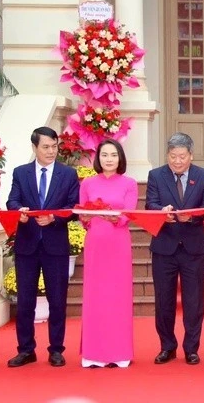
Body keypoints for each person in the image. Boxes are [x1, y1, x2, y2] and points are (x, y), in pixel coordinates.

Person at [6, 126, 80, 368]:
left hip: (55, 246)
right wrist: (20, 213)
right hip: (27, 246)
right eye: (46, 147)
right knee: (25, 301)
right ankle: (26, 350)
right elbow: (12, 200)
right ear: (34, 148)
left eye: (55, 146)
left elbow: (73, 207)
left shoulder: (68, 174)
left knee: (57, 300)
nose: (51, 151)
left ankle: (56, 349)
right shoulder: (21, 173)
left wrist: (55, 219)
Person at [146, 132, 204, 366]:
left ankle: (191, 348)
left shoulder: (203, 176)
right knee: (164, 301)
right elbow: (150, 203)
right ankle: (167, 346)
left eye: (182, 156)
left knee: (194, 302)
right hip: (164, 246)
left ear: (191, 155)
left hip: (194, 248)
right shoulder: (156, 175)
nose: (177, 161)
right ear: (167, 155)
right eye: (173, 156)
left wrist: (191, 218)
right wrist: (161, 210)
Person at [78, 139, 138, 368]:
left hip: (118, 241)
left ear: (120, 158)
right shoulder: (87, 183)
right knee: (95, 295)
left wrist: (117, 218)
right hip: (95, 242)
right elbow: (82, 213)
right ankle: (94, 354)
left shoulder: (129, 183)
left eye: (113, 155)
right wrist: (85, 218)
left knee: (118, 295)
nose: (109, 159)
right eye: (104, 155)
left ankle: (119, 352)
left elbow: (128, 212)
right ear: (98, 158)